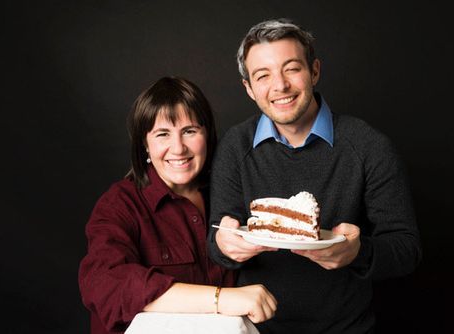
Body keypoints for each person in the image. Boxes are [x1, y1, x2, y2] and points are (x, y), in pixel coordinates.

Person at [207, 19, 422, 333]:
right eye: (262, 75)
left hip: (347, 328)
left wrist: (358, 253)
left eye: (292, 68)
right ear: (249, 89)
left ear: (315, 71)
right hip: (257, 329)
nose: (279, 85)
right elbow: (216, 242)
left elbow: (407, 249)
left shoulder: (368, 145)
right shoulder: (235, 146)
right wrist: (225, 247)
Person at [78, 77, 277, 334]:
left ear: (207, 135)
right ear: (145, 145)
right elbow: (106, 284)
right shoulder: (120, 204)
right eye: (163, 134)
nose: (178, 148)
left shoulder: (230, 194)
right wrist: (220, 298)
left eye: (190, 131)